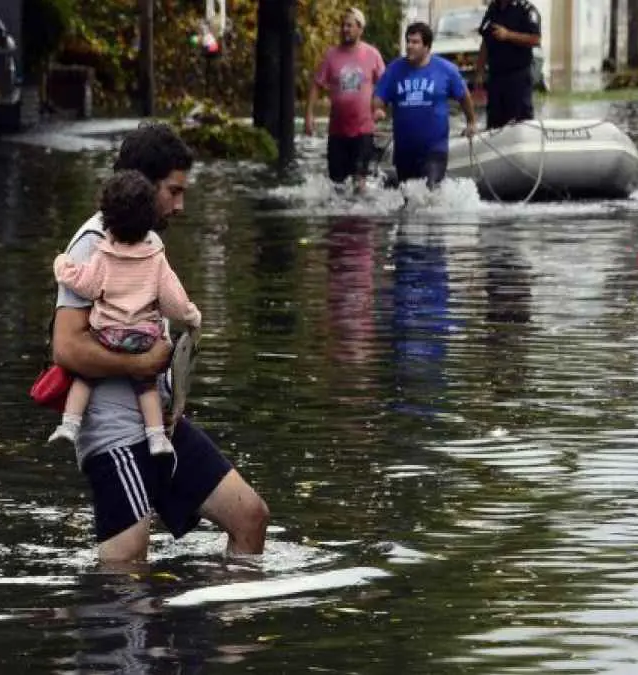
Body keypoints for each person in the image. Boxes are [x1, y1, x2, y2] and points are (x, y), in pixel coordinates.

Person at [52, 123, 269, 563]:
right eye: (173, 191)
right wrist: (141, 365)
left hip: (159, 427)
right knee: (128, 569)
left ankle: (213, 608)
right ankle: (122, 610)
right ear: (143, 184)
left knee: (251, 518)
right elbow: (66, 347)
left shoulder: (148, 241)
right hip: (115, 434)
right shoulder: (94, 243)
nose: (180, 205)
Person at [49, 170, 202, 457]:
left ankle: (69, 424)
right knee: (147, 386)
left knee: (85, 377)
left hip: (108, 335)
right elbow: (175, 302)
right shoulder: (156, 259)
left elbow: (85, 284)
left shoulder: (103, 255)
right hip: (143, 338)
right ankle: (157, 437)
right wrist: (193, 317)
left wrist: (62, 265)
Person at [373, 22, 478, 189]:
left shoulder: (446, 70)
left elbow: (464, 96)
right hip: (404, 150)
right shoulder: (394, 70)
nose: (409, 46)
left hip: (434, 148)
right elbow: (379, 98)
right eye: (408, 41)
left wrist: (471, 122)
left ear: (427, 46)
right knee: (409, 197)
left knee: (429, 190)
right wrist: (377, 110)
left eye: (415, 42)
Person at [305, 8, 387, 191]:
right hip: (337, 130)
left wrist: (380, 107)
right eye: (343, 25)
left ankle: (360, 207)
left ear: (360, 29)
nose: (345, 29)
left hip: (363, 130)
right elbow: (317, 85)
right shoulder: (331, 55)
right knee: (337, 184)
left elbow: (385, 84)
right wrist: (309, 115)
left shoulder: (372, 54)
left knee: (359, 181)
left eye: (349, 26)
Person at [476, 0, 542, 129]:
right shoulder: (493, 8)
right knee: (494, 123)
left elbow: (535, 39)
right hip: (495, 77)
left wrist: (508, 35)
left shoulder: (526, 9)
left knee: (519, 123)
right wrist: (479, 72)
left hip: (517, 77)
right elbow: (485, 42)